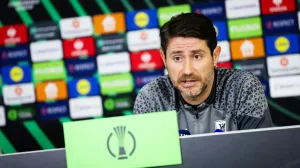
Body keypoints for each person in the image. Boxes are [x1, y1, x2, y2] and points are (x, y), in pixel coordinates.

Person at [133, 13, 273, 134]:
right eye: (177, 58)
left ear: (215, 56)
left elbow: (259, 156)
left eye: (197, 56)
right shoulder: (151, 97)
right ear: (164, 59)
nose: (187, 70)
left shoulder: (242, 87)